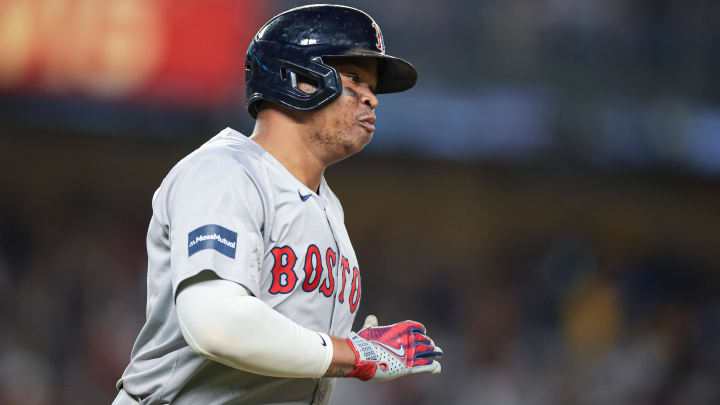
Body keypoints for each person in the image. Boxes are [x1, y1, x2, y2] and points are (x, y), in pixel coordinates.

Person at [113, 4, 442, 405]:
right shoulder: (225, 172)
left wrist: (349, 348)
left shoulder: (328, 207)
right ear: (299, 79)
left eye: (373, 87)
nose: (371, 99)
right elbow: (215, 323)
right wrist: (353, 354)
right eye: (355, 77)